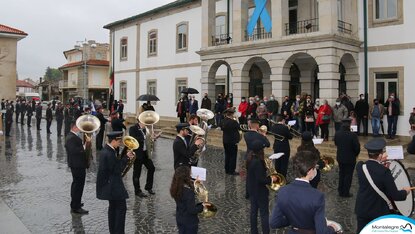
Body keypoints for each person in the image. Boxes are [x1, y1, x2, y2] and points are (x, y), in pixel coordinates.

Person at [269, 151, 336, 234]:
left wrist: (292, 219)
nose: (315, 170)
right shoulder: (317, 196)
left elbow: (274, 223)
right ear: (309, 171)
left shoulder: (283, 191)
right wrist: (333, 228)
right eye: (314, 168)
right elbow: (321, 232)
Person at [355, 138, 411, 233]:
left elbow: (369, 165)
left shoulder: (360, 167)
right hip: (378, 212)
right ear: (381, 155)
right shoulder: (384, 172)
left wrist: (379, 160)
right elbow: (396, 196)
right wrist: (405, 191)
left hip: (362, 209)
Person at [96, 131, 134, 234]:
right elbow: (117, 169)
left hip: (109, 187)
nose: (120, 143)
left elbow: (113, 165)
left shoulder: (107, 150)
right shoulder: (109, 153)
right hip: (114, 188)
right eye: (119, 141)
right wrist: (126, 158)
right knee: (121, 210)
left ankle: (113, 231)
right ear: (113, 141)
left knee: (113, 209)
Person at [246, 140, 278, 234]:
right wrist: (272, 179)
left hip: (252, 190)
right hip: (260, 192)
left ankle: (254, 231)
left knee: (253, 213)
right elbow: (261, 180)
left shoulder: (250, 159)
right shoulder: (258, 163)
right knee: (264, 214)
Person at [170, 166, 205, 233]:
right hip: (189, 222)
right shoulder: (188, 192)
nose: (190, 176)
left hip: (180, 218)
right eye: (190, 174)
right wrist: (202, 206)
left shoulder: (176, 188)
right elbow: (192, 210)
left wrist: (197, 183)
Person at [65, 120, 91, 214]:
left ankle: (76, 203)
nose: (80, 129)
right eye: (78, 127)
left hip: (77, 164)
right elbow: (73, 150)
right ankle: (76, 207)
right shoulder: (71, 137)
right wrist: (84, 147)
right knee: (78, 186)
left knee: (76, 185)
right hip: (77, 165)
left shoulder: (72, 136)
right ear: (74, 127)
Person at [244, 119, 270, 199]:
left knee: (249, 175)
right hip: (258, 156)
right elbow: (268, 144)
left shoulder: (246, 134)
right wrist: (264, 135)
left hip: (248, 156)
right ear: (257, 126)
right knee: (259, 174)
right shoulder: (260, 136)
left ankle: (247, 193)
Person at [129, 119, 156, 198]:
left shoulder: (145, 129)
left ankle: (148, 187)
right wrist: (144, 137)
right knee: (137, 173)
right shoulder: (133, 128)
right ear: (140, 121)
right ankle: (137, 191)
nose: (146, 123)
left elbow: (147, 140)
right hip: (137, 154)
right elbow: (133, 139)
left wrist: (153, 138)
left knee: (152, 168)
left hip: (145, 153)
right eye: (144, 122)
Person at [334, 118, 360, 197]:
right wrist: (355, 155)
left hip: (340, 157)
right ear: (349, 125)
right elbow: (357, 148)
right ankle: (345, 192)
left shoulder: (337, 133)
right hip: (350, 158)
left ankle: (340, 190)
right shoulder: (353, 135)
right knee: (348, 175)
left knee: (341, 174)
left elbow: (336, 143)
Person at [221, 107, 240, 175]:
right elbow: (239, 127)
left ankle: (227, 169)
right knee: (233, 156)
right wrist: (237, 119)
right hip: (232, 141)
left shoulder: (223, 121)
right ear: (232, 114)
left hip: (225, 140)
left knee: (227, 155)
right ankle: (232, 170)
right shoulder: (233, 122)